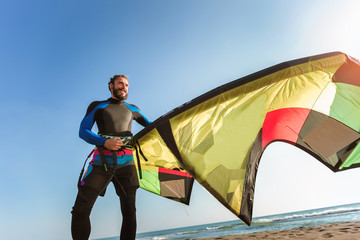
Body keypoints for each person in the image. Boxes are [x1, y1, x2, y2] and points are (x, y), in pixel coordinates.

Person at [71, 75, 151, 240]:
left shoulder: (133, 109)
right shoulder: (98, 106)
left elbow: (153, 128)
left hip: (127, 163)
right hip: (101, 162)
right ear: (111, 85)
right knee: (80, 210)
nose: (124, 87)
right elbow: (83, 131)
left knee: (129, 212)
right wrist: (104, 142)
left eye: (127, 85)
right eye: (121, 83)